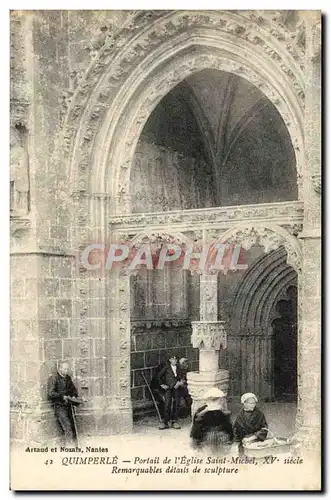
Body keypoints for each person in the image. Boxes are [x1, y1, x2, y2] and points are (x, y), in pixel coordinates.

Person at [48, 360, 82, 446]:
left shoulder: (68, 378)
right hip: (59, 406)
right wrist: (62, 396)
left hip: (68, 405)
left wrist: (74, 396)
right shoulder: (53, 378)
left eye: (67, 369)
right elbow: (51, 393)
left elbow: (73, 390)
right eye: (64, 369)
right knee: (67, 427)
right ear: (59, 368)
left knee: (73, 427)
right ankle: (69, 448)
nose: (66, 371)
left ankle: (74, 447)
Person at [190, 388, 233, 454]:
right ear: (208, 400)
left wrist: (224, 413)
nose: (215, 401)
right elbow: (197, 422)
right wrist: (204, 412)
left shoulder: (221, 410)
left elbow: (227, 423)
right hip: (207, 434)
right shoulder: (203, 409)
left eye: (216, 399)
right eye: (213, 399)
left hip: (220, 434)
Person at [157, 355, 183, 430]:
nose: (174, 361)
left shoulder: (179, 368)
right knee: (167, 403)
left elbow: (182, 377)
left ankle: (174, 421)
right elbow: (159, 376)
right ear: (170, 360)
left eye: (175, 359)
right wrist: (162, 385)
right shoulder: (167, 367)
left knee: (176, 403)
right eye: (172, 359)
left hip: (176, 388)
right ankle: (165, 422)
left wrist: (180, 382)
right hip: (168, 388)